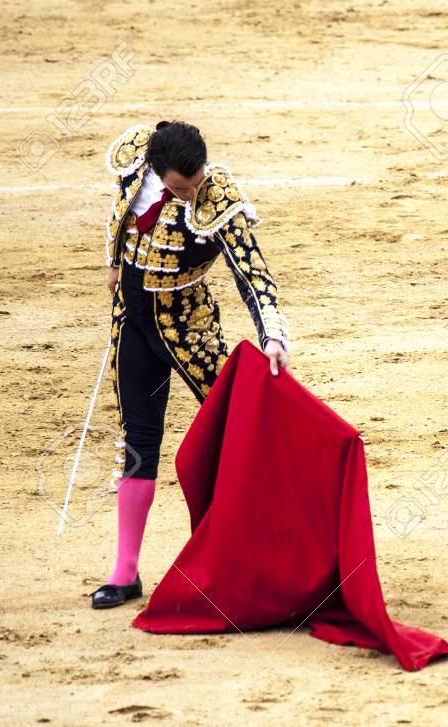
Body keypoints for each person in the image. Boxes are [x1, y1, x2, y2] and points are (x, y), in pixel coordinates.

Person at [91, 121, 291, 609]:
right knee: (138, 441)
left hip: (190, 330)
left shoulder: (217, 196)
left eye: (197, 180)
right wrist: (115, 260)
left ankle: (240, 557)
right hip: (134, 326)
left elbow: (252, 271)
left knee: (235, 434)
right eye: (182, 188)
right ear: (158, 173)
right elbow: (120, 212)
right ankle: (125, 572)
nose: (193, 193)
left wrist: (272, 334)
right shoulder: (138, 161)